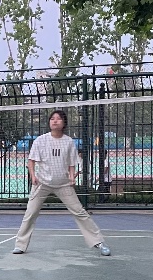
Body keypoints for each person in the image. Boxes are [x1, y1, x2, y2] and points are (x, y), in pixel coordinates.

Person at [12, 109, 111, 257]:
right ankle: (20, 245)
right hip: (42, 183)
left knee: (80, 212)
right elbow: (31, 161)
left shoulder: (69, 141)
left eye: (58, 119)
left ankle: (99, 242)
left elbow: (71, 163)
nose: (55, 121)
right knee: (30, 213)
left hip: (63, 184)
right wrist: (33, 176)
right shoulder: (41, 140)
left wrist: (72, 177)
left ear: (64, 123)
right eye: (52, 118)